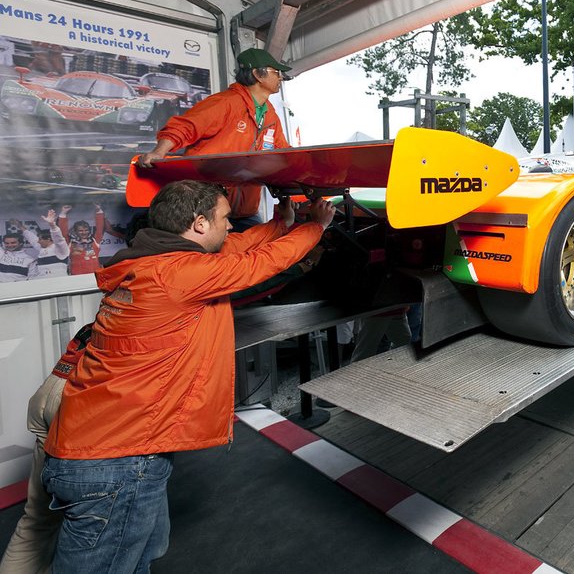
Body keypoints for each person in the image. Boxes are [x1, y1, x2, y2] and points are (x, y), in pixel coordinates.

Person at [41, 181, 335, 573]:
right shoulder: (179, 275)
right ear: (198, 224)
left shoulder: (153, 262)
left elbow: (234, 248)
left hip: (107, 448)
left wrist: (280, 223)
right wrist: (315, 226)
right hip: (117, 461)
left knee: (139, 560)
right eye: (225, 219)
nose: (231, 227)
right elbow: (257, 264)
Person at [138, 48, 294, 226]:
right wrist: (159, 152)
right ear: (258, 74)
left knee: (260, 249)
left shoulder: (270, 115)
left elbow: (283, 152)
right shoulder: (225, 103)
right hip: (205, 210)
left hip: (244, 211)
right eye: (276, 72)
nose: (281, 77)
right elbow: (185, 126)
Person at [0, 325, 91, 574]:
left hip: (52, 389)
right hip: (79, 401)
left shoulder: (114, 304)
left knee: (37, 520)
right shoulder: (151, 308)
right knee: (95, 524)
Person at [58, 205, 105, 275]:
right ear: (75, 231)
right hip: (77, 277)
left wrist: (99, 211)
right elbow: (63, 231)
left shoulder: (95, 240)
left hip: (96, 275)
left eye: (86, 230)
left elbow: (100, 228)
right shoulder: (70, 242)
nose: (84, 232)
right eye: (80, 231)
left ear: (89, 230)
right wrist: (63, 214)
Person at [23, 210, 69, 278]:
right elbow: (31, 238)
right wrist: (20, 226)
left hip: (59, 282)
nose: (38, 242)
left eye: (40, 239)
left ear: (48, 239)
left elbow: (59, 239)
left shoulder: (60, 249)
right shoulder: (41, 248)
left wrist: (52, 225)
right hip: (43, 283)